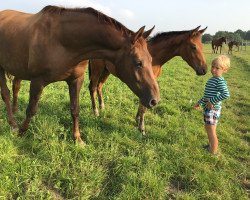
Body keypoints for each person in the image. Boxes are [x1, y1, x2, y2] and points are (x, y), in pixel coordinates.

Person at [193, 55, 230, 154]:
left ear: (224, 70)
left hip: (213, 110)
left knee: (211, 130)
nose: (213, 69)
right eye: (213, 66)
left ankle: (213, 151)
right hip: (208, 108)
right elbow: (207, 95)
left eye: (217, 68)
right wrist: (199, 102)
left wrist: (212, 101)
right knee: (208, 128)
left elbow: (226, 94)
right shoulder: (213, 79)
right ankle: (210, 145)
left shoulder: (220, 81)